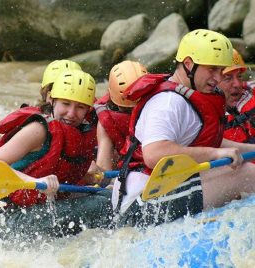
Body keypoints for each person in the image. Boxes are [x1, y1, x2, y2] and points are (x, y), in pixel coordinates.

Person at [112, 29, 255, 228]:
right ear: (188, 64)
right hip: (139, 208)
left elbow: (205, 142)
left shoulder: (188, 95)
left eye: (220, 70)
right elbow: (154, 154)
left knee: (244, 167)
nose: (217, 77)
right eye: (212, 69)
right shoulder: (168, 102)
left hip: (163, 191)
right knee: (244, 174)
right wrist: (215, 154)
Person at [0, 69, 112, 240]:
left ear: (87, 109)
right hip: (4, 219)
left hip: (38, 210)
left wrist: (89, 178)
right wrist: (35, 182)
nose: (71, 114)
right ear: (52, 101)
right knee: (105, 203)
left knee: (112, 195)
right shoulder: (39, 130)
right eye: (65, 104)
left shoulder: (82, 134)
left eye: (80, 107)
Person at [93, 61, 148, 175]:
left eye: (138, 108)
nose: (133, 114)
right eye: (127, 110)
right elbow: (104, 169)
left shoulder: (161, 103)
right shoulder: (106, 119)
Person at [220, 49, 255, 143]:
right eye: (228, 78)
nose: (238, 84)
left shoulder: (250, 93)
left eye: (239, 76)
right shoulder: (197, 118)